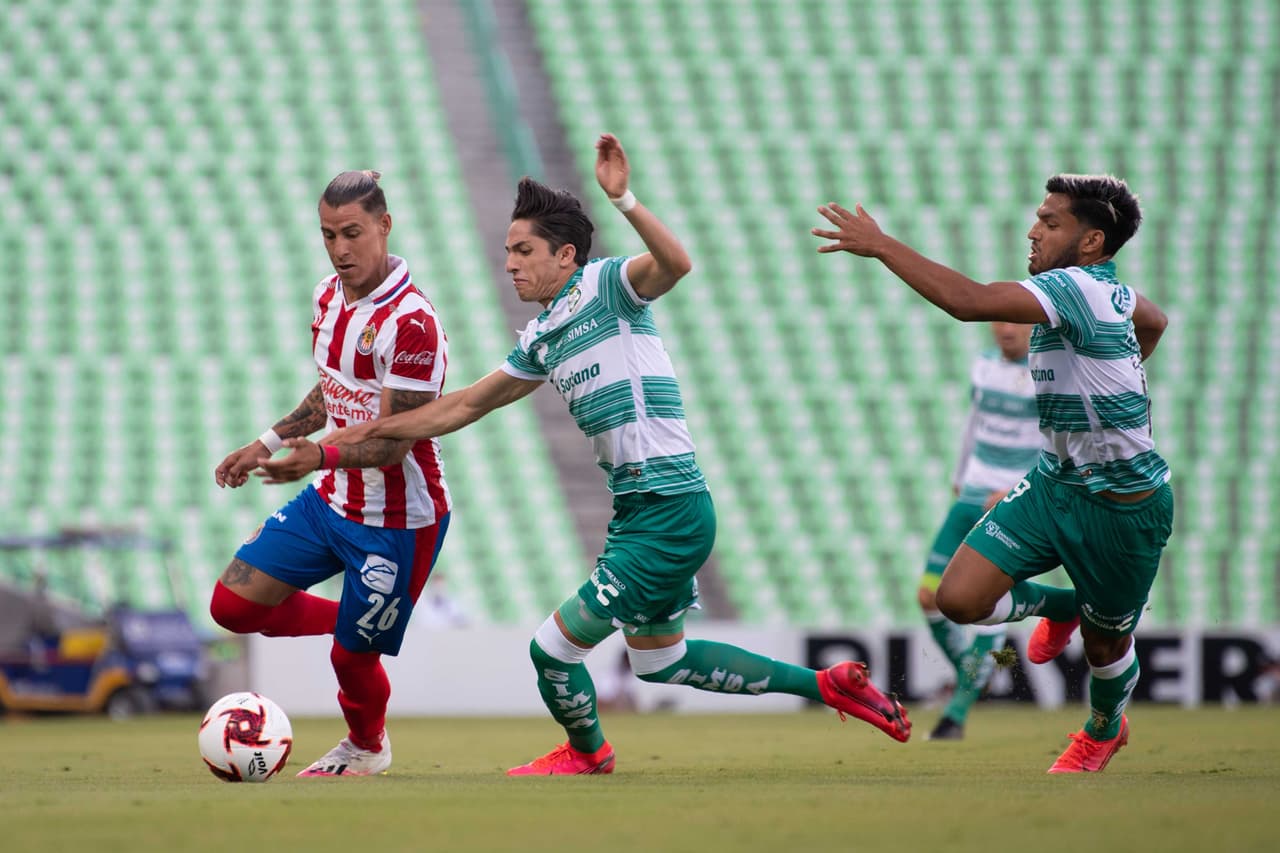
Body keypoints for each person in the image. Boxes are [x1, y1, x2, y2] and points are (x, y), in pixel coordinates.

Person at [261, 134, 910, 775]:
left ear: (566, 253)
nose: (509, 263)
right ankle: (827, 685)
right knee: (660, 659)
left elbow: (676, 263)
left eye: (523, 251)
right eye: (507, 250)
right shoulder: (542, 336)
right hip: (640, 509)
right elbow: (460, 406)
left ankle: (588, 751)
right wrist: (334, 440)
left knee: (552, 649)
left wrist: (623, 198)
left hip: (671, 505)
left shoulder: (609, 287)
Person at [812, 174, 1173, 773]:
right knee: (956, 599)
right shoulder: (1109, 293)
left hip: (1124, 503)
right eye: (1038, 218)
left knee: (1106, 646)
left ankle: (1104, 727)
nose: (1033, 231)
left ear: (1091, 242)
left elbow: (969, 303)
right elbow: (1154, 322)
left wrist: (881, 244)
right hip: (1056, 482)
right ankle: (1062, 606)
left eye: (1051, 222)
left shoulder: (1075, 288)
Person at [211, 170, 451, 777]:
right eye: (328, 235)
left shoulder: (412, 323)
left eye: (352, 233)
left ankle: (367, 748)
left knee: (351, 662)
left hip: (397, 518)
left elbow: (395, 444)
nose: (340, 249)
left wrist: (317, 455)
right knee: (232, 607)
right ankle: (355, 627)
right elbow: (332, 389)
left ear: (384, 226)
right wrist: (265, 442)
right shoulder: (327, 296)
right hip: (331, 498)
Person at [921, 322, 1040, 741]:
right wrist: (960, 474)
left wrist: (1018, 490)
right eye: (1000, 321)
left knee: (986, 610)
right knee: (928, 596)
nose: (1006, 330)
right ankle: (977, 673)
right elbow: (974, 421)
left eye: (1016, 322)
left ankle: (956, 714)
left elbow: (1059, 439)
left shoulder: (1049, 370)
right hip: (972, 491)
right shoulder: (984, 365)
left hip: (1013, 499)